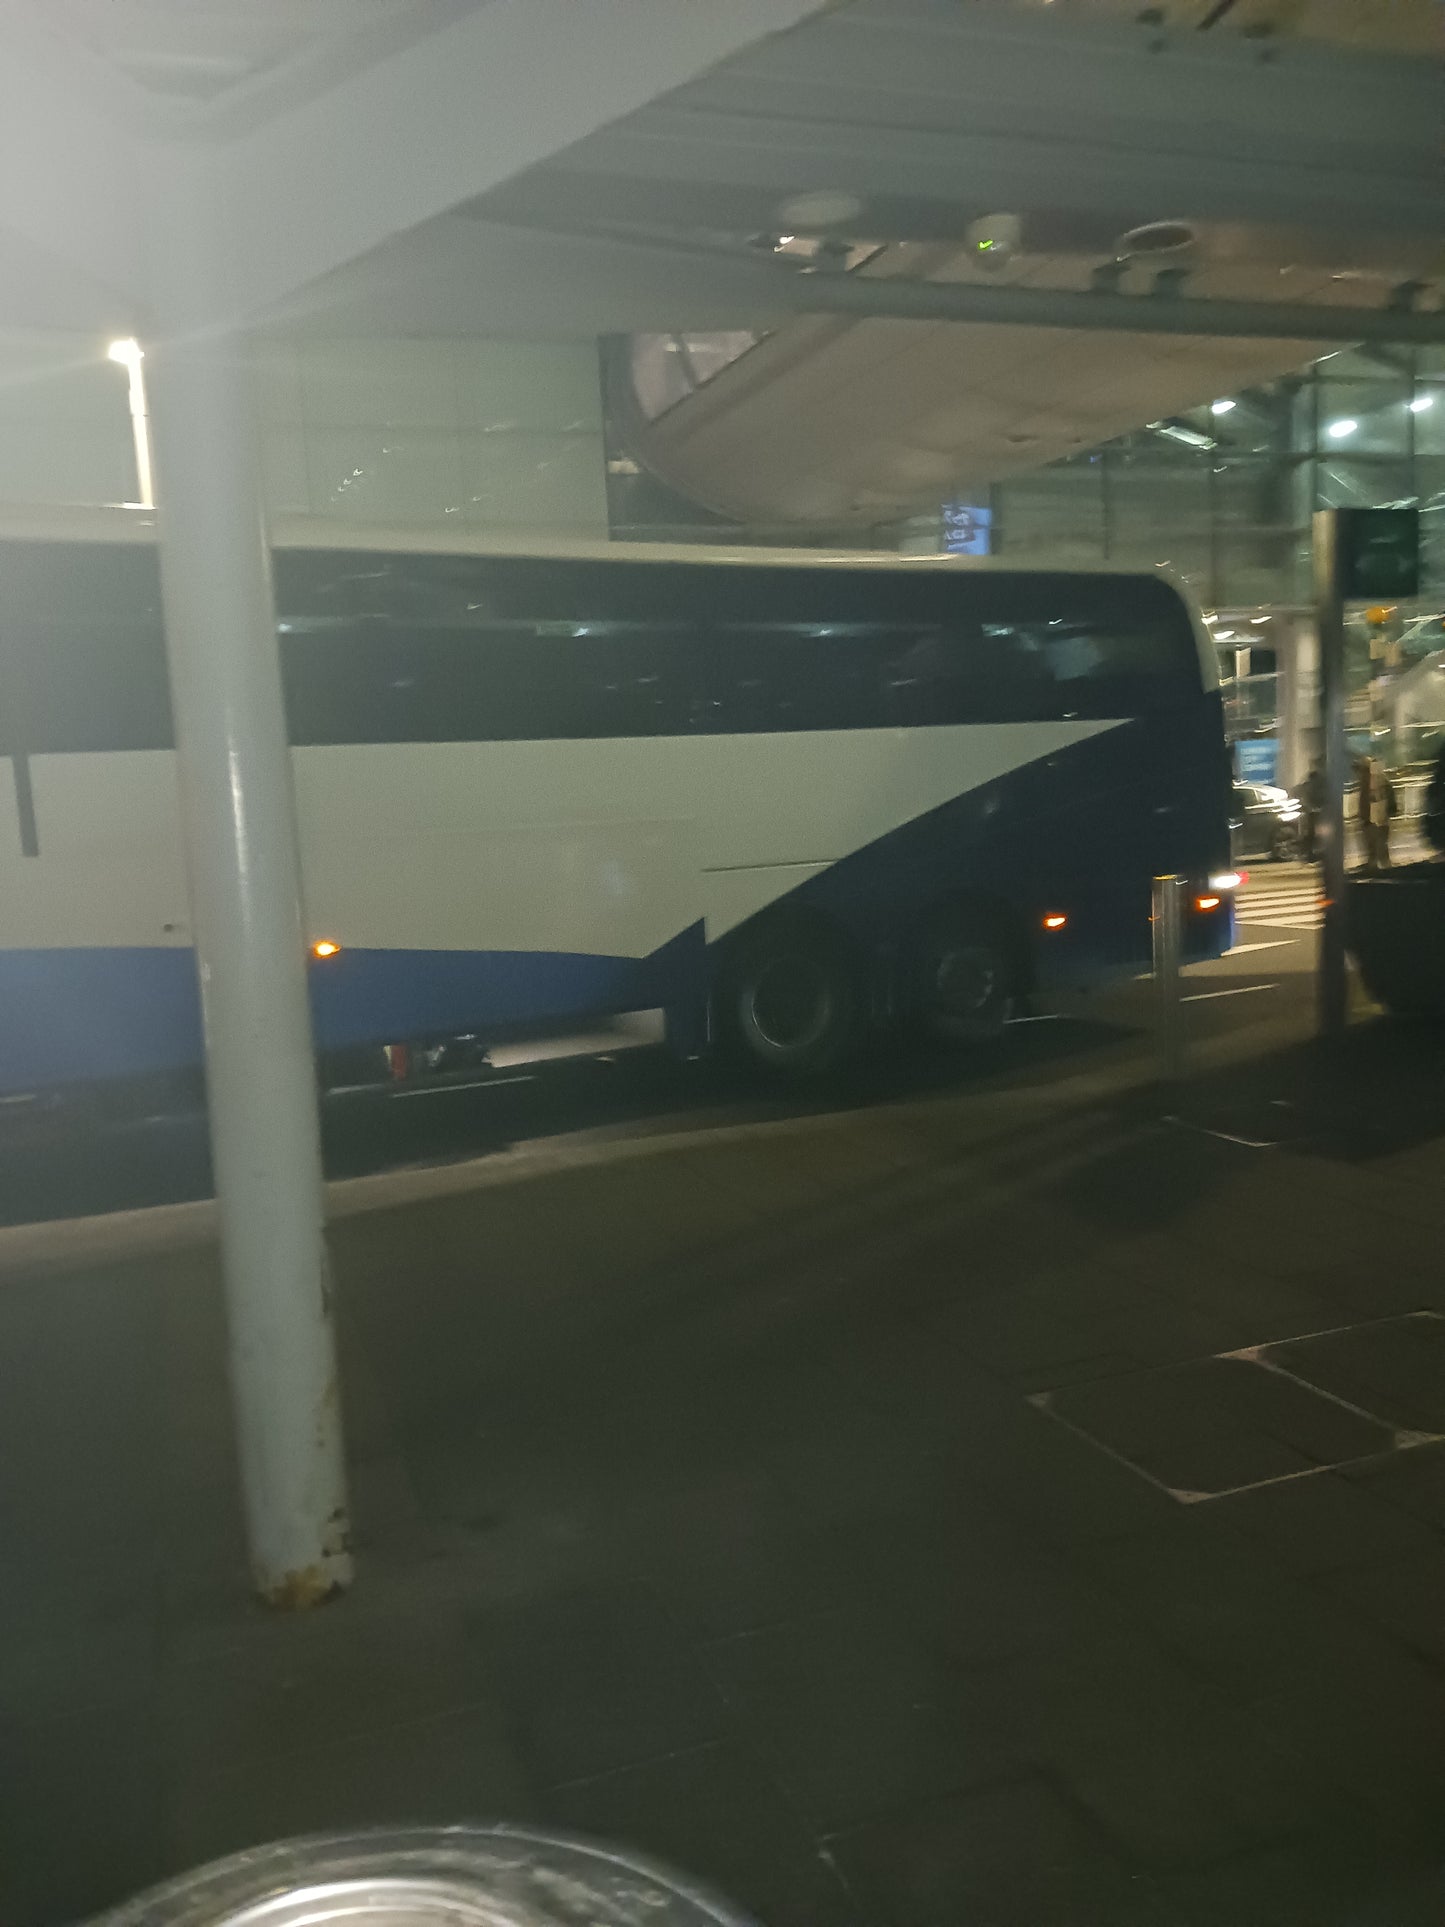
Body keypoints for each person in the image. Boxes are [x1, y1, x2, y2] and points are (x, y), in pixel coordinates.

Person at [1367, 758, 1397, 871]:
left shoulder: (1371, 782)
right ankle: (1383, 862)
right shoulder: (1384, 781)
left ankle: (1380, 863)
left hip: (1376, 815)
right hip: (1380, 815)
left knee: (1379, 840)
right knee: (1381, 840)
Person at [1298, 760, 1323, 863]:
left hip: (1309, 812)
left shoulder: (1306, 786)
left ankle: (1308, 854)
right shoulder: (1314, 787)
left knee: (1309, 835)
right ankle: (1310, 854)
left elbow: (1304, 799)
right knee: (1312, 835)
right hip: (1313, 813)